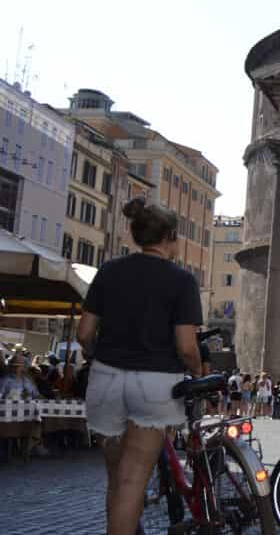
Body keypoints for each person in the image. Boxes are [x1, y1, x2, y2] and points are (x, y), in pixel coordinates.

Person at [76, 198, 203, 535]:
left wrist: (95, 355)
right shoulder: (181, 280)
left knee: (116, 479)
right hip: (155, 383)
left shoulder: (109, 271)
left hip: (105, 378)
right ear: (171, 236)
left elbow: (85, 333)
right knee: (132, 480)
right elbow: (187, 346)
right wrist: (199, 373)